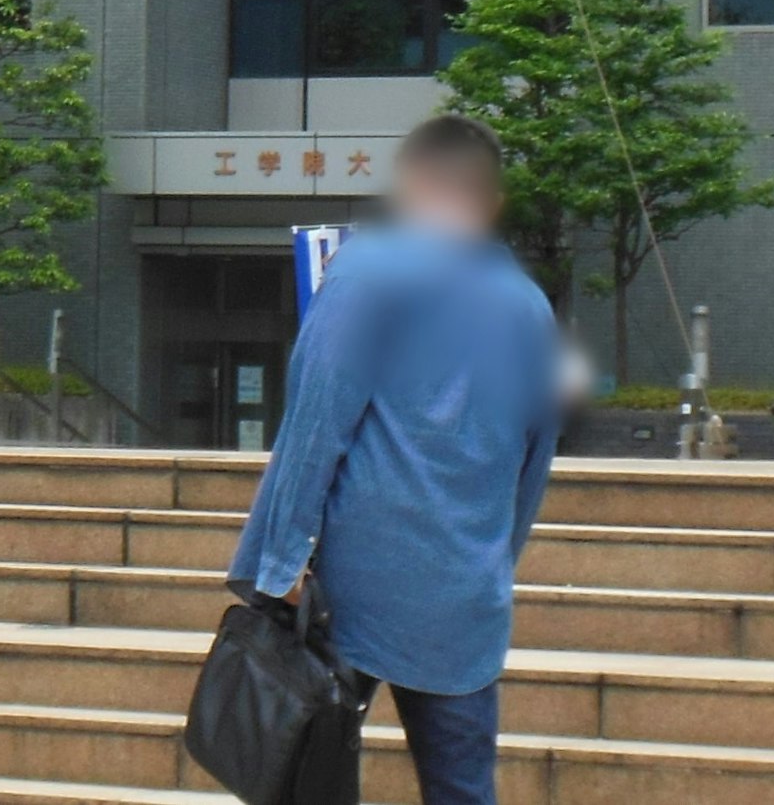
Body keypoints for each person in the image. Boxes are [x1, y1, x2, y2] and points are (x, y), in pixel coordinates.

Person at [223, 114, 560, 805]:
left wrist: (281, 558)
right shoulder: (529, 306)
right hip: (465, 594)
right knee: (463, 788)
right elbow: (534, 461)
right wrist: (496, 560)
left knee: (305, 774)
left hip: (354, 589)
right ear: (489, 198)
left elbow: (317, 420)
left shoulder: (369, 270)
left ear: (412, 185)